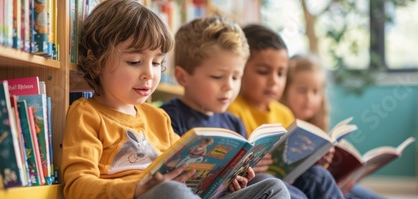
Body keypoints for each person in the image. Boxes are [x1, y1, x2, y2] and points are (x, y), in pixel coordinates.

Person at [61, 1, 289, 198]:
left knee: (272, 188)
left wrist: (226, 183)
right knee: (169, 192)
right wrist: (137, 189)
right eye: (134, 61)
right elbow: (77, 187)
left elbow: (190, 176)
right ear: (96, 59)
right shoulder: (86, 113)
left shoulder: (158, 117)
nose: (149, 74)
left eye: (157, 62)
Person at [161, 16, 289, 198]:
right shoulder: (166, 118)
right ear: (182, 77)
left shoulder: (234, 123)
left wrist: (239, 183)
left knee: (273, 186)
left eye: (236, 77)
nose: (229, 86)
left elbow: (237, 184)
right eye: (217, 77)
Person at [227, 24, 347, 199]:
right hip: (259, 185)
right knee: (273, 183)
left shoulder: (284, 113)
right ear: (240, 69)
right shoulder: (232, 110)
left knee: (318, 176)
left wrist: (312, 159)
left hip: (287, 181)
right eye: (263, 72)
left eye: (281, 73)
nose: (273, 81)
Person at [281, 54, 383, 199]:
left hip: (325, 182)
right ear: (285, 90)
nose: (309, 98)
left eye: (315, 91)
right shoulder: (280, 121)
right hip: (301, 185)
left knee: (357, 192)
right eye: (302, 90)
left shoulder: (317, 128)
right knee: (321, 177)